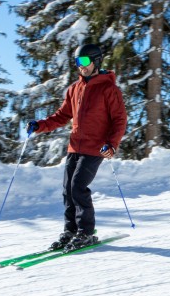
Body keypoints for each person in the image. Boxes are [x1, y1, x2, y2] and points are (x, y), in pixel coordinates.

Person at [26, 43, 127, 251]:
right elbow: (62, 116)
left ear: (96, 61)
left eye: (84, 61)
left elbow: (119, 120)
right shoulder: (74, 89)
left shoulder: (109, 89)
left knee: (78, 187)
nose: (81, 66)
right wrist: (40, 125)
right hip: (75, 146)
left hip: (96, 147)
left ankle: (86, 232)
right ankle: (70, 231)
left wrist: (112, 144)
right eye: (77, 62)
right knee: (67, 190)